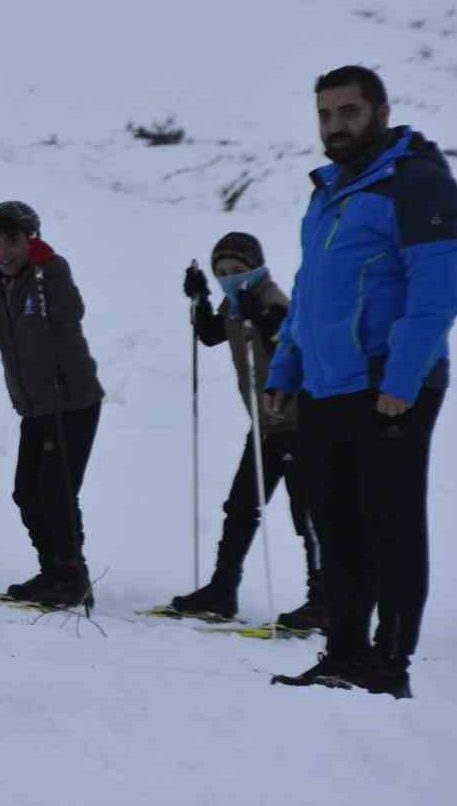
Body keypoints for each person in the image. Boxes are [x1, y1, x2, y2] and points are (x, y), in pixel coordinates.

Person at [265, 65, 457, 700]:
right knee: (337, 524)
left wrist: (403, 379)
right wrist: (285, 368)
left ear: (381, 112)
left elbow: (436, 296)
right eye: (325, 115)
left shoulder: (417, 183)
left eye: (348, 113)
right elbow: (309, 289)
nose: (335, 126)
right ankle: (346, 653)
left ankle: (391, 664)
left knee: (393, 525)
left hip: (389, 384)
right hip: (328, 386)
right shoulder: (329, 189)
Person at [0, 201, 103, 609]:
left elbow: (71, 310)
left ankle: (72, 576)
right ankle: (51, 570)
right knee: (26, 492)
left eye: (12, 241)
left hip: (71, 402)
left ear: (30, 239)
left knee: (56, 491)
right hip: (34, 406)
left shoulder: (49, 273)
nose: (3, 251)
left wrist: (46, 264)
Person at [171, 232, 324, 630]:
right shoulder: (235, 303)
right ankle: (222, 590)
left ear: (255, 268)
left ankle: (325, 599)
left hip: (297, 423)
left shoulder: (272, 300)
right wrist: (199, 298)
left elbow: (288, 346)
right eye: (221, 272)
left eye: (237, 270)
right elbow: (210, 335)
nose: (229, 277)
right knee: (241, 507)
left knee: (306, 513)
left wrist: (261, 316)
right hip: (265, 426)